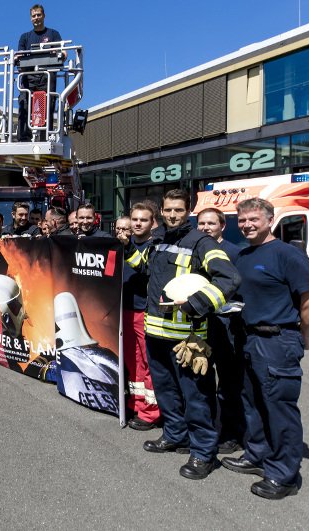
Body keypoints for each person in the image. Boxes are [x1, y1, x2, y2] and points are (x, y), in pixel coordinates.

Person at [124, 188, 240, 481]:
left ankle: (203, 453)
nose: (173, 215)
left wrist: (198, 304)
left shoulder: (201, 242)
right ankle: (175, 435)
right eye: (168, 210)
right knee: (166, 392)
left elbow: (230, 278)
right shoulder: (159, 239)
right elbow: (145, 267)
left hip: (187, 337)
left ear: (188, 211)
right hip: (155, 333)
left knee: (197, 396)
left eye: (178, 210)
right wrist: (126, 248)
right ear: (161, 212)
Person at [222, 198, 309, 500]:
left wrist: (302, 335)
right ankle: (257, 455)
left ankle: (283, 475)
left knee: (280, 409)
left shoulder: (287, 254)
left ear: (270, 220)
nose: (247, 225)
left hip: (277, 340)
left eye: (254, 219)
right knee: (252, 403)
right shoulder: (243, 255)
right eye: (242, 220)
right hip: (248, 339)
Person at [196, 207, 246, 454]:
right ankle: (205, 429)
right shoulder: (195, 251)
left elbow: (240, 291)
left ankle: (231, 434)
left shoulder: (235, 253)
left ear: (222, 226)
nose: (205, 228)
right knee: (200, 379)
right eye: (201, 224)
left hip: (226, 326)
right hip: (200, 325)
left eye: (211, 224)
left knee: (228, 384)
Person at [119, 204, 162, 431]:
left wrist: (127, 249)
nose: (137, 224)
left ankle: (151, 411)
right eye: (134, 219)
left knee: (148, 362)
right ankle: (135, 403)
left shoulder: (154, 247)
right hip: (124, 309)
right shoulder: (123, 244)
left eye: (143, 220)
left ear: (152, 222)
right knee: (131, 361)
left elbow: (146, 269)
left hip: (144, 311)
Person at [17, 4, 63, 141]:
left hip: (46, 76)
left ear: (44, 16)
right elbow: (19, 55)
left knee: (48, 104)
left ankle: (45, 136)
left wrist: (61, 53)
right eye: (33, 16)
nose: (36, 18)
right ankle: (24, 137)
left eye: (38, 15)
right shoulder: (25, 37)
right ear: (30, 18)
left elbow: (63, 52)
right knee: (24, 103)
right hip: (28, 77)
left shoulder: (53, 34)